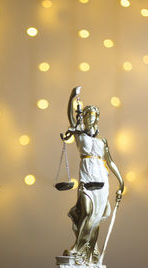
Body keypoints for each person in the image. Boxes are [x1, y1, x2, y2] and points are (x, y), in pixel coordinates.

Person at [62, 86, 124, 265]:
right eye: (87, 116)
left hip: (102, 180)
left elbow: (110, 162)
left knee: (96, 218)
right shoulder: (80, 135)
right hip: (86, 178)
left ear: (97, 119)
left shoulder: (101, 141)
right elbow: (71, 117)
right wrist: (72, 97)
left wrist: (121, 181)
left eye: (92, 116)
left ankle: (89, 252)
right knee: (87, 211)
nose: (90, 118)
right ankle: (77, 248)